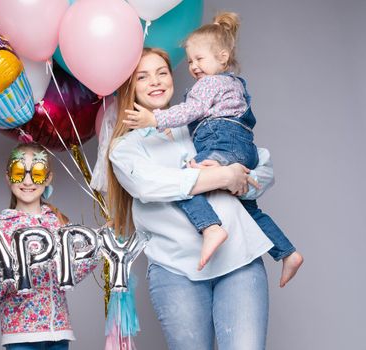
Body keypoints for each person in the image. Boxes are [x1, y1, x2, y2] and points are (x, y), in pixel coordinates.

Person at [106, 47, 276, 349]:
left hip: (240, 259)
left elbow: (261, 167)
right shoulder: (124, 148)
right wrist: (224, 176)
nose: (155, 82)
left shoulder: (201, 121)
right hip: (176, 271)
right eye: (143, 77)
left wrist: (242, 182)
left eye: (162, 72)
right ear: (129, 87)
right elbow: (151, 185)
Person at [123, 12, 303, 282]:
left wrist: (154, 119)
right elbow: (147, 186)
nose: (194, 67)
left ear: (222, 57)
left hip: (224, 143)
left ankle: (211, 228)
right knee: (251, 212)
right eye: (191, 61)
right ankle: (287, 251)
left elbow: (193, 110)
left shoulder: (207, 86)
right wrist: (227, 175)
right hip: (240, 146)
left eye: (199, 59)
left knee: (189, 176)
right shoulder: (233, 83)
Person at [0, 143, 98, 350]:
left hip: (59, 333)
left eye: (36, 173)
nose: (28, 181)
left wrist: (100, 243)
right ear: (8, 176)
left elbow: (72, 274)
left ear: (48, 178)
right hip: (20, 335)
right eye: (20, 172)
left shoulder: (58, 223)